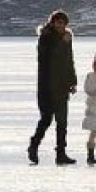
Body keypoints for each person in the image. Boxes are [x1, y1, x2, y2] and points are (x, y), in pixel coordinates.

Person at [27, 9, 78, 166]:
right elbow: (46, 58)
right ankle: (33, 146)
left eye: (63, 23)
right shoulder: (46, 38)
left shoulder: (66, 39)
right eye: (58, 22)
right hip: (47, 87)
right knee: (46, 119)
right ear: (52, 23)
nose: (60, 25)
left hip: (62, 87)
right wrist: (61, 42)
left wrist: (72, 81)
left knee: (62, 122)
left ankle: (61, 153)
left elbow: (69, 61)